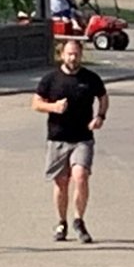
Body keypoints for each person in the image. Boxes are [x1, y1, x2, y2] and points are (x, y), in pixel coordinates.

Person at [31, 40, 108, 244]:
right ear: (62, 55)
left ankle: (79, 220)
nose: (72, 58)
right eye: (69, 54)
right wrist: (53, 107)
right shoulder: (51, 79)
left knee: (81, 176)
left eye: (76, 54)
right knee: (61, 182)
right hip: (58, 137)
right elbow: (36, 103)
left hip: (83, 138)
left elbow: (103, 96)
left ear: (81, 55)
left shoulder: (90, 78)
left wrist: (100, 116)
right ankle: (61, 222)